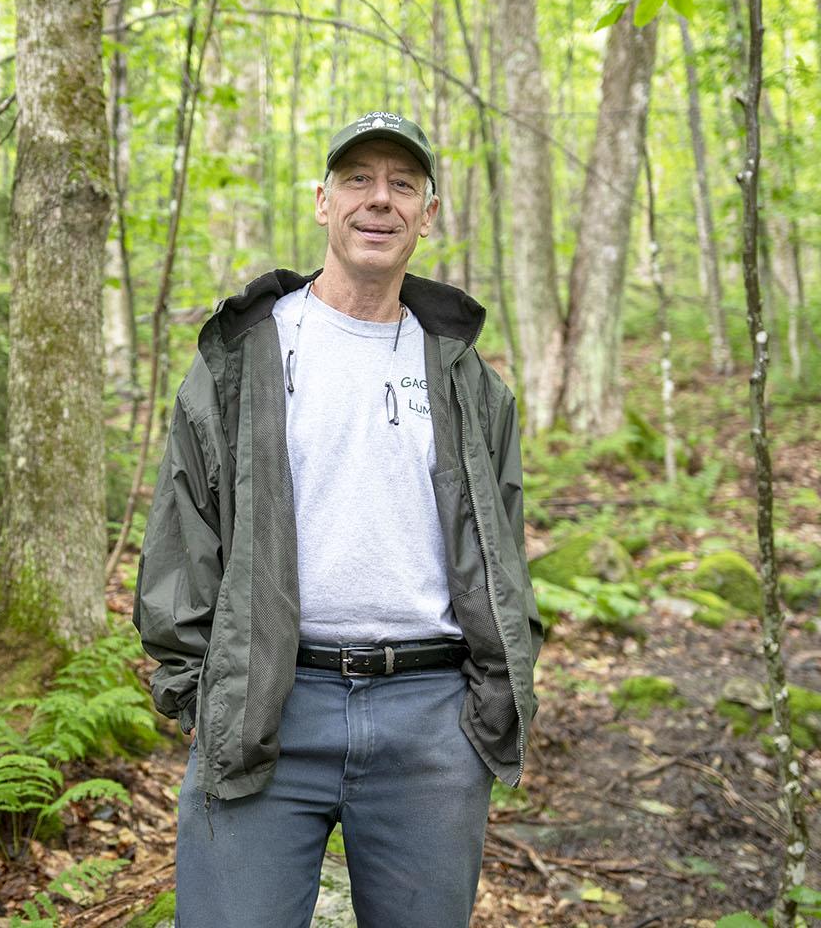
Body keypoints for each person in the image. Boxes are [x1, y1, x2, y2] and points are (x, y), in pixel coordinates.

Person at [133, 110, 542, 928]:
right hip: (268, 707)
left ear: (427, 216)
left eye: (402, 185)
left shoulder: (468, 378)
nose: (378, 201)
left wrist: (498, 690)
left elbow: (503, 545)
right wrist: (196, 690)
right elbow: (185, 531)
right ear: (323, 202)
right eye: (358, 180)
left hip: (431, 721)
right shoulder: (241, 355)